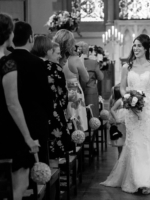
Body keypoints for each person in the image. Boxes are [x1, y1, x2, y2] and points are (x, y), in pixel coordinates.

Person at [101, 34, 150, 194]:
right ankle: (135, 180)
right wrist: (128, 98)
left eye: (139, 46)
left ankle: (146, 180)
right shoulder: (126, 67)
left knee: (148, 143)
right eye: (134, 45)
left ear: (146, 48)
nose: (135, 48)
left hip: (148, 109)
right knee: (134, 143)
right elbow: (122, 87)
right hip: (131, 111)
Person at [0, 18, 51, 200]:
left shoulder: (10, 60)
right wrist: (29, 137)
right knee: (19, 185)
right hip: (15, 127)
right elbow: (12, 103)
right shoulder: (7, 64)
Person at [31, 36, 71, 159]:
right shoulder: (55, 68)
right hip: (54, 114)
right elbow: (63, 97)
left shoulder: (30, 65)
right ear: (47, 50)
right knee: (53, 153)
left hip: (32, 114)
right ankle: (52, 175)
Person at [53, 29, 89, 131]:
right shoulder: (75, 59)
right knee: (77, 125)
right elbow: (86, 78)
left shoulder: (55, 56)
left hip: (60, 91)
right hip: (74, 92)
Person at [79, 41, 104, 118]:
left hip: (78, 91)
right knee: (92, 116)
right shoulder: (93, 63)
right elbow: (100, 77)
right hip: (91, 92)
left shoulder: (72, 61)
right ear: (88, 51)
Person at [109, 84, 126, 157]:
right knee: (121, 139)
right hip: (120, 121)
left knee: (124, 138)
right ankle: (120, 156)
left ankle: (122, 155)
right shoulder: (119, 101)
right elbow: (112, 110)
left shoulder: (123, 100)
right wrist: (117, 119)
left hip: (124, 121)